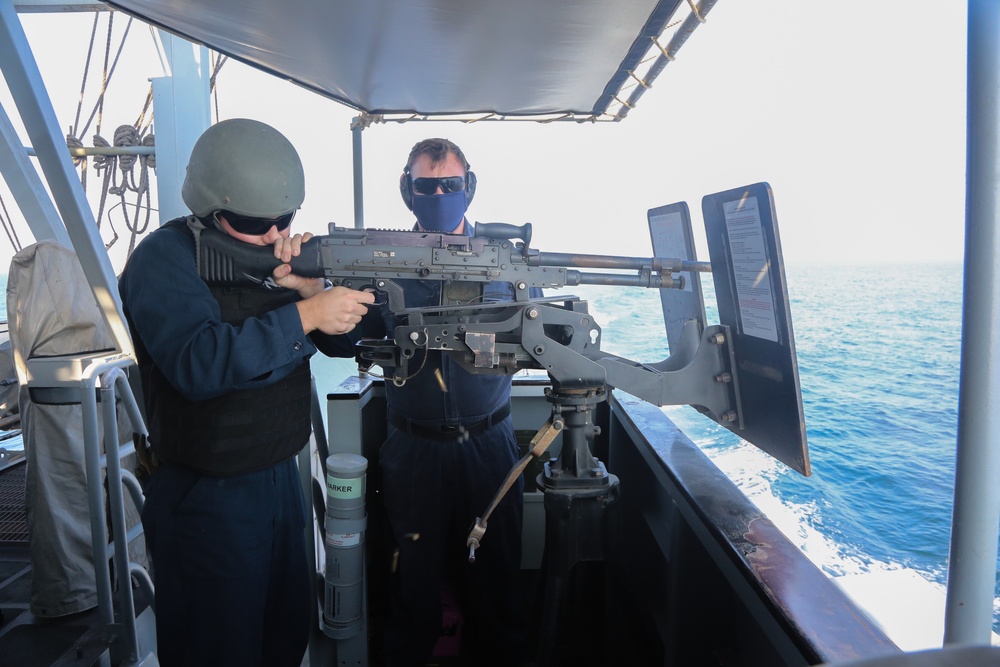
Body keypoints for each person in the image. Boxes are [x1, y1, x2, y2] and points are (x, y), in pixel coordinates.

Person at [119, 118, 374, 666]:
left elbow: (347, 344)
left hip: (280, 482)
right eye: (253, 223)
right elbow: (198, 362)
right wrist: (305, 314)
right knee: (217, 649)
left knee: (283, 638)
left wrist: (313, 290)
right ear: (209, 209)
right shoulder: (163, 260)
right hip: (207, 498)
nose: (270, 236)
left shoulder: (273, 263)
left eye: (283, 221)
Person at [364, 138, 532, 666]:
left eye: (450, 185)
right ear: (407, 190)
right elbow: (343, 336)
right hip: (412, 450)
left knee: (498, 591)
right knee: (409, 593)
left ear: (468, 186)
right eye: (426, 186)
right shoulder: (380, 261)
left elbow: (535, 333)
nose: (439, 195)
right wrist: (312, 295)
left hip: (490, 446)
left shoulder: (505, 260)